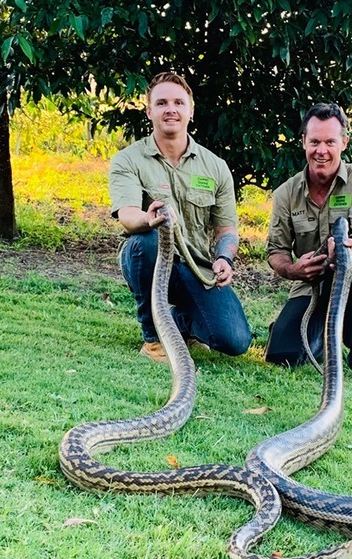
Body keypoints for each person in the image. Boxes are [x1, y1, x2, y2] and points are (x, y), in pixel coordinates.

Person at [108, 72, 252, 363]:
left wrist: (224, 258)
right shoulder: (129, 159)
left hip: (197, 268)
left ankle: (183, 323)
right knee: (147, 241)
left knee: (234, 341)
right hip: (149, 258)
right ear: (149, 111)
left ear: (191, 110)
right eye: (161, 103)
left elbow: (227, 229)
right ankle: (154, 339)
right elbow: (127, 215)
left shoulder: (216, 167)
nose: (170, 109)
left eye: (178, 102)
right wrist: (148, 220)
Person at [265, 103, 352, 386]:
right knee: (282, 356)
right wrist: (295, 270)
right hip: (310, 285)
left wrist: (347, 247)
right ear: (304, 143)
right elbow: (275, 253)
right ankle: (313, 331)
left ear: (344, 142)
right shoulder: (286, 193)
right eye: (315, 142)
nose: (321, 150)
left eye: (330, 142)